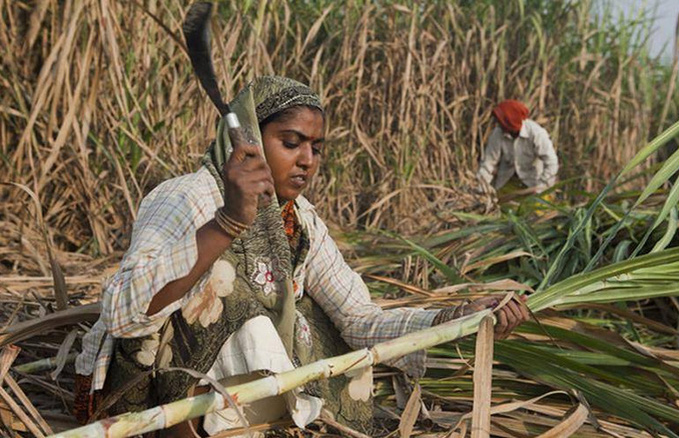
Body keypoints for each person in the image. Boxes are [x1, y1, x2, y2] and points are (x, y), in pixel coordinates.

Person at [74, 76, 529, 437]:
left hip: (248, 398)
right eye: (291, 142)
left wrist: (457, 316)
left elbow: (359, 319)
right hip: (159, 399)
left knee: (310, 313)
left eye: (316, 147)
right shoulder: (186, 198)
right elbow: (123, 314)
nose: (308, 160)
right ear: (248, 141)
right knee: (235, 298)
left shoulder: (300, 221)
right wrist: (228, 223)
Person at [477, 100, 558, 196]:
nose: (499, 124)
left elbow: (552, 163)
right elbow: (488, 163)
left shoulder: (537, 134)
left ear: (510, 120)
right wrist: (482, 186)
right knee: (504, 208)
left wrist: (540, 187)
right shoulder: (497, 134)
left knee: (538, 209)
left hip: (533, 182)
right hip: (507, 182)